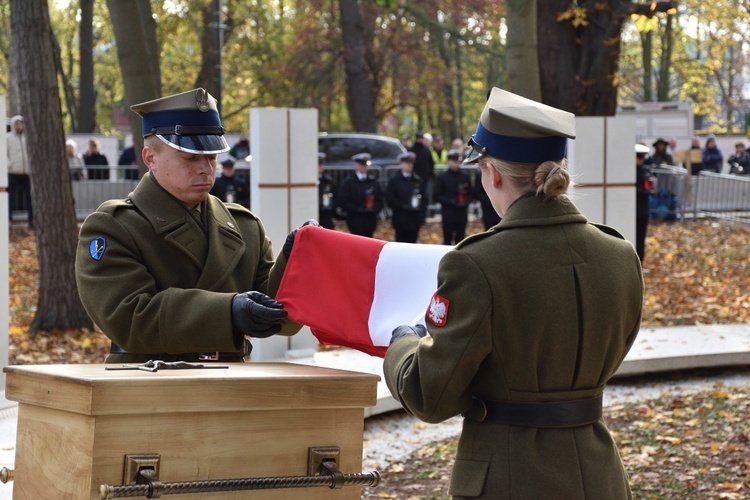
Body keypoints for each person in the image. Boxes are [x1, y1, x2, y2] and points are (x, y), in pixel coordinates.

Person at [383, 88, 644, 499]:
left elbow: (429, 396)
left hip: (509, 476)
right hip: (600, 475)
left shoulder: (477, 264)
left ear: (495, 174)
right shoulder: (620, 255)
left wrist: (402, 343)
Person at [75, 88, 302, 364]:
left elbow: (279, 317)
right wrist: (227, 311)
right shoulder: (115, 227)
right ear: (150, 158)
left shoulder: (245, 227)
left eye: (212, 157)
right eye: (190, 158)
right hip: (147, 386)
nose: (205, 168)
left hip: (231, 384)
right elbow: (130, 319)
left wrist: (298, 263)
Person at [337, 152, 383, 237]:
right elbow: (344, 201)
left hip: (370, 218)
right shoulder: (349, 182)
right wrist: (357, 209)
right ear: (356, 165)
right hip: (355, 218)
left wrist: (374, 208)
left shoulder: (372, 181)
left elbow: (379, 198)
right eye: (361, 164)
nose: (364, 167)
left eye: (365, 164)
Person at [385, 151, 427, 243]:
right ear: (401, 164)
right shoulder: (394, 181)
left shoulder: (417, 180)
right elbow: (390, 199)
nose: (409, 165)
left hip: (414, 219)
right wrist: (403, 206)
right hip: (401, 218)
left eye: (411, 163)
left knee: (413, 244)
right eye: (407, 163)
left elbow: (424, 198)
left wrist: (420, 210)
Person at [433, 149, 472, 245]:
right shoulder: (442, 177)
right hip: (448, 213)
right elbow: (436, 195)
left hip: (461, 213)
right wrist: (450, 201)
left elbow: (471, 193)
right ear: (449, 161)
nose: (455, 163)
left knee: (460, 239)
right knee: (447, 239)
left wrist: (466, 201)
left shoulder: (464, 177)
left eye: (457, 161)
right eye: (453, 161)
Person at [7, 115, 33, 227]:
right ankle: (9, 219)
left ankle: (31, 219)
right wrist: (10, 165)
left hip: (26, 173)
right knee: (10, 197)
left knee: (30, 197)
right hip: (13, 172)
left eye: (21, 123)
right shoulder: (7, 138)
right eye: (17, 123)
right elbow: (3, 153)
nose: (19, 126)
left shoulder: (28, 137)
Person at [636, 143, 655, 262]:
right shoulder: (629, 171)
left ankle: (640, 262)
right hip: (632, 210)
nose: (641, 160)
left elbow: (649, 189)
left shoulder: (645, 171)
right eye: (638, 157)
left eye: (642, 157)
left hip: (642, 210)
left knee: (640, 239)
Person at [409, 131, 435, 205]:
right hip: (413, 178)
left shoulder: (426, 150)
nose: (420, 140)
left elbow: (431, 163)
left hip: (425, 178)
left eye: (421, 138)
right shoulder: (411, 150)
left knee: (425, 195)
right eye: (419, 138)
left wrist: (429, 173)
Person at [317, 152, 336, 230]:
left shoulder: (328, 181)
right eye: (318, 165)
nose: (320, 167)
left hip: (325, 215)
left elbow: (335, 196)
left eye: (321, 165)